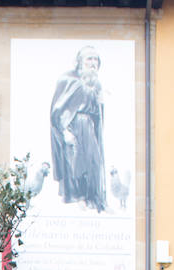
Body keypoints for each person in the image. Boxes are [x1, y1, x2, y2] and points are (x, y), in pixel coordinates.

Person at [48, 46, 107, 211]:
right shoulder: (67, 80)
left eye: (96, 59)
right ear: (80, 61)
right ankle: (78, 197)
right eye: (89, 59)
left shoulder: (96, 84)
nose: (93, 63)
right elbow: (57, 110)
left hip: (89, 127)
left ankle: (94, 199)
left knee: (93, 161)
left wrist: (100, 103)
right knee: (75, 163)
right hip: (73, 126)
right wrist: (64, 131)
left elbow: (97, 114)